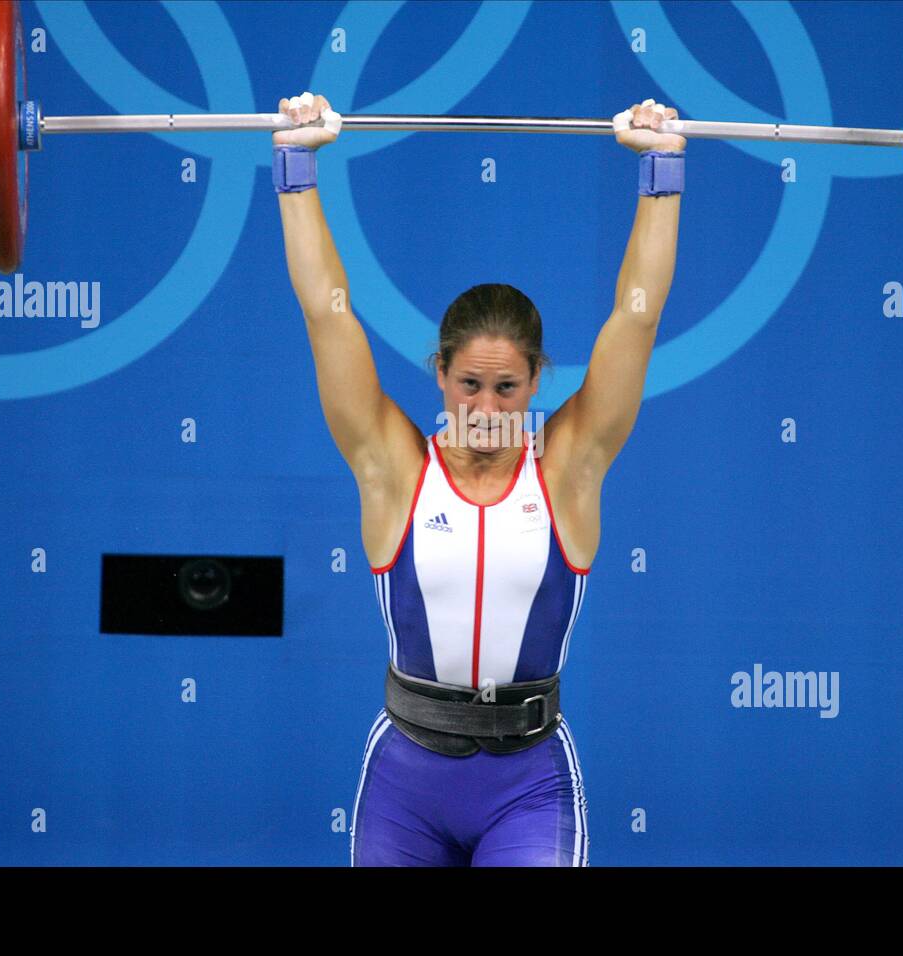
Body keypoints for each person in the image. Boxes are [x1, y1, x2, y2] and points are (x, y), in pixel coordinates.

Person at [272, 91, 684, 865]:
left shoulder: (568, 468)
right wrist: (297, 164)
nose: (487, 407)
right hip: (405, 786)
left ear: (537, 382)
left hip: (529, 785)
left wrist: (662, 170)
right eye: (468, 385)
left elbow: (637, 317)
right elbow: (327, 314)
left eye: (506, 388)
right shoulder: (393, 469)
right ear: (439, 375)